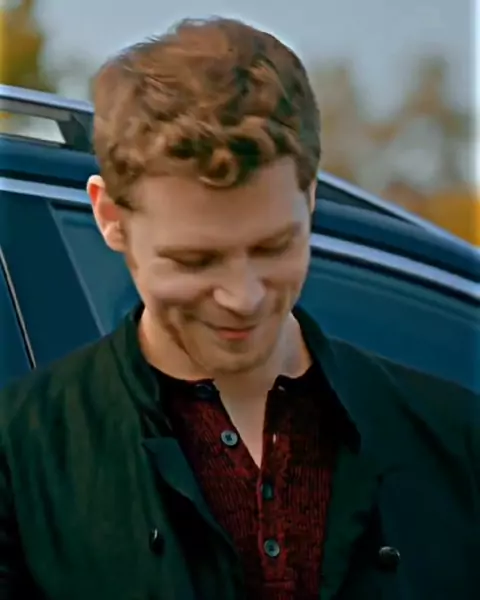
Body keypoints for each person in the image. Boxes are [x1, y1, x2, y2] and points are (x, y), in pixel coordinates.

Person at [0, 17, 478, 600]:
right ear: (111, 217)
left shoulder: (457, 442)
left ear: (309, 198)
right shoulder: (18, 461)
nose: (244, 297)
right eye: (196, 259)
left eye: (273, 248)